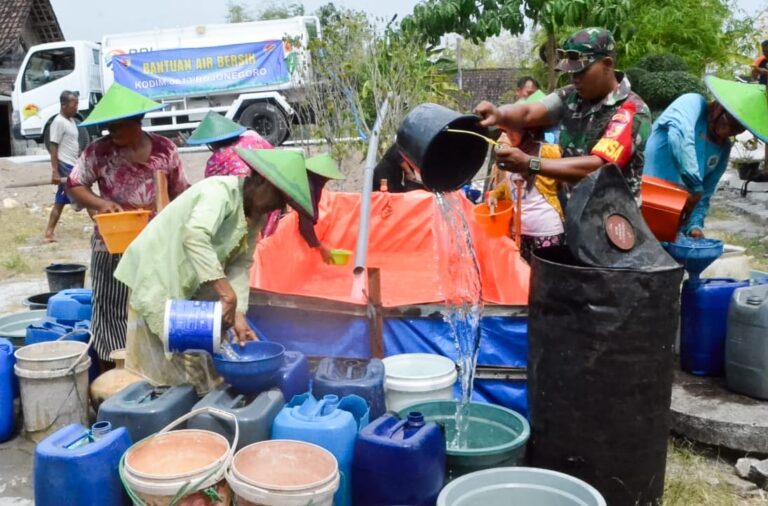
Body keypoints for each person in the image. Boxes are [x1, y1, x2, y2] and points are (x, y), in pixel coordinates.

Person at [113, 149, 315, 394]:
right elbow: (195, 236)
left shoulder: (254, 216)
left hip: (189, 290)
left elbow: (241, 264)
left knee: (196, 368)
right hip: (157, 276)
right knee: (162, 376)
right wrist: (225, 293)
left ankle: (192, 417)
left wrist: (238, 314)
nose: (278, 206)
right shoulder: (219, 192)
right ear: (260, 180)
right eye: (278, 196)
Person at [66, 83, 189, 369]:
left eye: (119, 126)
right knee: (112, 307)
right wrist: (99, 204)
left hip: (155, 242)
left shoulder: (164, 150)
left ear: (137, 123)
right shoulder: (99, 152)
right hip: (112, 242)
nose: (113, 133)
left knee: (155, 304)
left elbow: (181, 191)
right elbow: (73, 185)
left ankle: (154, 365)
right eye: (109, 127)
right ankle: (114, 369)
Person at [475, 28, 652, 204]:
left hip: (611, 221)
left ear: (607, 64)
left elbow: (598, 167)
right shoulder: (571, 96)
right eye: (571, 72)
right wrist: (499, 114)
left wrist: (531, 164)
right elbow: (528, 113)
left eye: (581, 72)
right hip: (573, 213)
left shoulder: (631, 109)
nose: (574, 79)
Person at [188, 112, 342, 263]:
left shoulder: (218, 159)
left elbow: (214, 188)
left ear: (212, 143)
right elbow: (305, 221)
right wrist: (320, 247)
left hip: (248, 199)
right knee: (257, 241)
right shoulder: (253, 139)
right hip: (261, 197)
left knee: (248, 241)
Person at [644, 77, 768, 238]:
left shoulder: (723, 149)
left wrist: (695, 224)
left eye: (735, 131)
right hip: (642, 200)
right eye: (725, 124)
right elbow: (679, 138)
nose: (725, 133)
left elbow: (706, 192)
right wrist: (695, 186)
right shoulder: (692, 103)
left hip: (671, 219)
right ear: (718, 108)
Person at [488, 92, 565, 263]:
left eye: (512, 129)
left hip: (546, 231)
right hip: (519, 232)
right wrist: (494, 195)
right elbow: (510, 185)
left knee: (544, 282)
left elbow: (562, 183)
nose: (507, 134)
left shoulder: (549, 152)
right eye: (504, 129)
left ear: (529, 129)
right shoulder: (507, 154)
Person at [44, 90, 81, 242]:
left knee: (59, 202)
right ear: (64, 105)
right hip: (65, 165)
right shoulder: (58, 122)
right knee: (84, 193)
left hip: (73, 163)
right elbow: (53, 146)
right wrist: (54, 171)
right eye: (74, 104)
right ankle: (101, 227)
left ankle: (48, 233)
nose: (76, 107)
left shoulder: (71, 122)